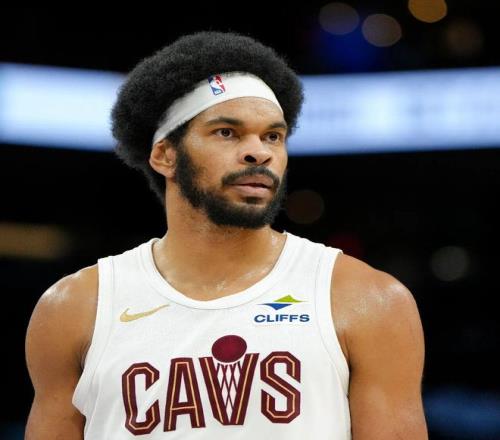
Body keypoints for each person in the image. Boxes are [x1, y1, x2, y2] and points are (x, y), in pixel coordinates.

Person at [25, 31, 428, 439]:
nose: (259, 152)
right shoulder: (75, 308)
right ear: (165, 154)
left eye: (272, 136)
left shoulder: (367, 300)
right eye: (226, 132)